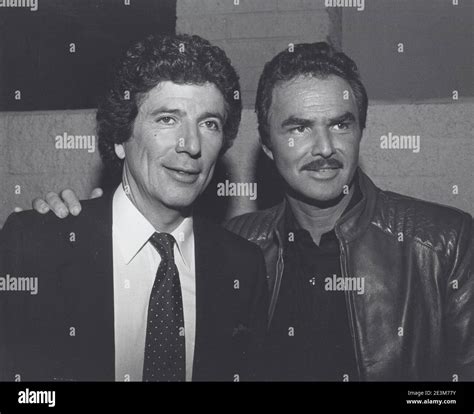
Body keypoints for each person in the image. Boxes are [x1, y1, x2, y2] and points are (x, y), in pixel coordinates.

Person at [31, 42, 473, 381]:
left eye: (341, 124)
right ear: (265, 145)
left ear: (361, 131)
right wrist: (65, 225)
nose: (324, 148)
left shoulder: (443, 244)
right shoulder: (241, 249)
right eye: (298, 127)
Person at [0, 34, 268, 382]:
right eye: (167, 119)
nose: (191, 144)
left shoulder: (243, 267)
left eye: (209, 123)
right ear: (119, 138)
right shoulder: (35, 246)